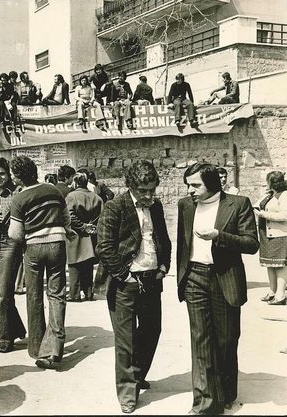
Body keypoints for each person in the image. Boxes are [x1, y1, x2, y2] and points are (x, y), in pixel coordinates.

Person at [177, 162, 259, 414]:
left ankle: (225, 392)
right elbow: (183, 243)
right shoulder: (185, 205)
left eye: (195, 185)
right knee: (200, 341)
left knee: (225, 340)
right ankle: (204, 403)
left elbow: (251, 243)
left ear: (212, 183)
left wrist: (219, 236)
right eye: (188, 185)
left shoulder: (238, 203)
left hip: (224, 277)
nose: (190, 190)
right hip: (195, 278)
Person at [95, 160, 171, 414]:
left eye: (152, 190)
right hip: (125, 283)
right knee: (126, 340)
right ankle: (128, 393)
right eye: (143, 191)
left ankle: (137, 376)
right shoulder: (114, 207)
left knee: (152, 331)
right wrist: (123, 276)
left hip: (152, 279)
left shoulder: (156, 206)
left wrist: (163, 267)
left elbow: (163, 238)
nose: (149, 196)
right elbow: (104, 247)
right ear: (130, 187)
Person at [8, 156, 73, 369]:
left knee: (34, 296)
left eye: (12, 174)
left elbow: (16, 234)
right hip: (57, 244)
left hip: (34, 249)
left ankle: (36, 347)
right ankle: (53, 349)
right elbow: (66, 218)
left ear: (18, 177)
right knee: (56, 295)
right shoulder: (53, 190)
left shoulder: (18, 199)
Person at [0, 158, 27, 353]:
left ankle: (2, 340)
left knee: (3, 293)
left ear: (8, 175)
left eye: (1, 174)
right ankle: (16, 327)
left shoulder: (17, 194)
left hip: (10, 244)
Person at [65, 173, 103, 302]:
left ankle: (74, 294)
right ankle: (88, 293)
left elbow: (69, 216)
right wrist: (91, 226)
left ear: (75, 183)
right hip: (91, 235)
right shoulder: (97, 198)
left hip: (75, 235)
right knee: (88, 265)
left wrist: (82, 226)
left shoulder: (71, 196)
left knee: (74, 265)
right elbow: (102, 216)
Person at [255, 171, 287, 305]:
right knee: (270, 264)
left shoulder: (285, 195)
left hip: (280, 234)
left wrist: (263, 214)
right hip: (267, 234)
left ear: (272, 182)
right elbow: (259, 204)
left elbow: (285, 216)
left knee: (280, 265)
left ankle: (281, 295)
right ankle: (272, 291)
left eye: (267, 181)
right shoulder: (270, 194)